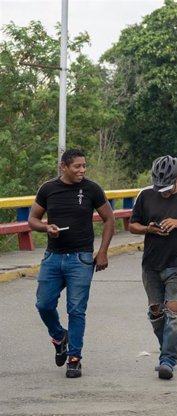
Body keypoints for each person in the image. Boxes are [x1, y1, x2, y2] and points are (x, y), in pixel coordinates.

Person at [28, 149, 115, 378]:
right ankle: (59, 336)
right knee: (43, 304)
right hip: (53, 257)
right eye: (77, 166)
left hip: (81, 258)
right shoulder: (48, 189)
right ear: (63, 167)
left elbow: (109, 219)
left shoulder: (92, 189)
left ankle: (74, 358)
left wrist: (103, 252)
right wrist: (46, 228)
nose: (82, 170)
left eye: (84, 166)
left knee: (76, 309)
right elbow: (32, 219)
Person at [130, 155, 177, 380]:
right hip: (151, 264)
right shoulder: (144, 195)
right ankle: (169, 351)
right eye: (158, 187)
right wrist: (149, 229)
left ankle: (167, 360)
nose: (162, 192)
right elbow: (133, 225)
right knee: (157, 313)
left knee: (175, 312)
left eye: (167, 188)